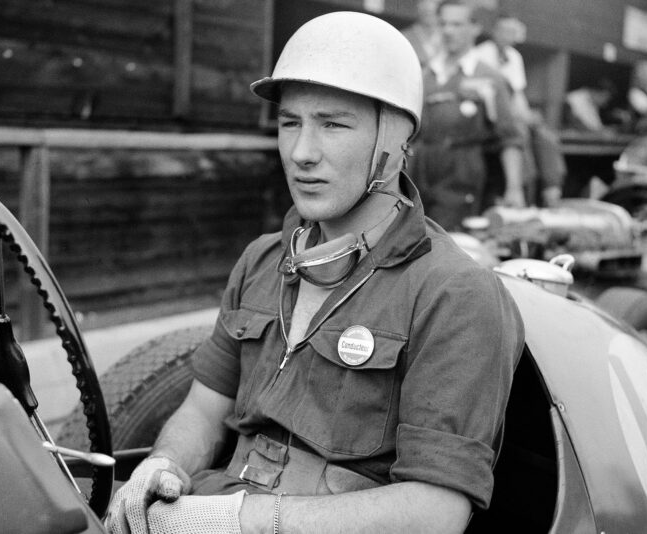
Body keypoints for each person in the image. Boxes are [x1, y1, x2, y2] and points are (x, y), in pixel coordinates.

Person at [105, 10, 524, 534]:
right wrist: (163, 464)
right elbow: (204, 412)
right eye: (289, 123)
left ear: (393, 144)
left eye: (333, 124)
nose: (302, 153)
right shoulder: (260, 261)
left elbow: (435, 512)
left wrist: (237, 521)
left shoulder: (454, 292)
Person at [411, 0, 525, 231]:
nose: (448, 31)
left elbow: (509, 139)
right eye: (443, 24)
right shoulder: (425, 74)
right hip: (419, 170)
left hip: (462, 171)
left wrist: (514, 188)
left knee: (447, 242)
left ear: (475, 28)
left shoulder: (489, 77)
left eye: (457, 24)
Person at [473, 13, 566, 208]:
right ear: (495, 32)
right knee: (519, 136)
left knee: (546, 136)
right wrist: (517, 117)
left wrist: (527, 115)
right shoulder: (480, 54)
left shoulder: (515, 57)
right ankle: (523, 194)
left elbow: (518, 94)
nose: (509, 35)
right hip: (489, 117)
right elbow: (488, 98)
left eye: (512, 32)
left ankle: (552, 191)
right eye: (505, 30)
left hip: (513, 114)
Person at [401, 0, 444, 68]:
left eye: (435, 3)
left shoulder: (448, 38)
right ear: (418, 6)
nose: (430, 7)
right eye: (425, 2)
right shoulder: (402, 38)